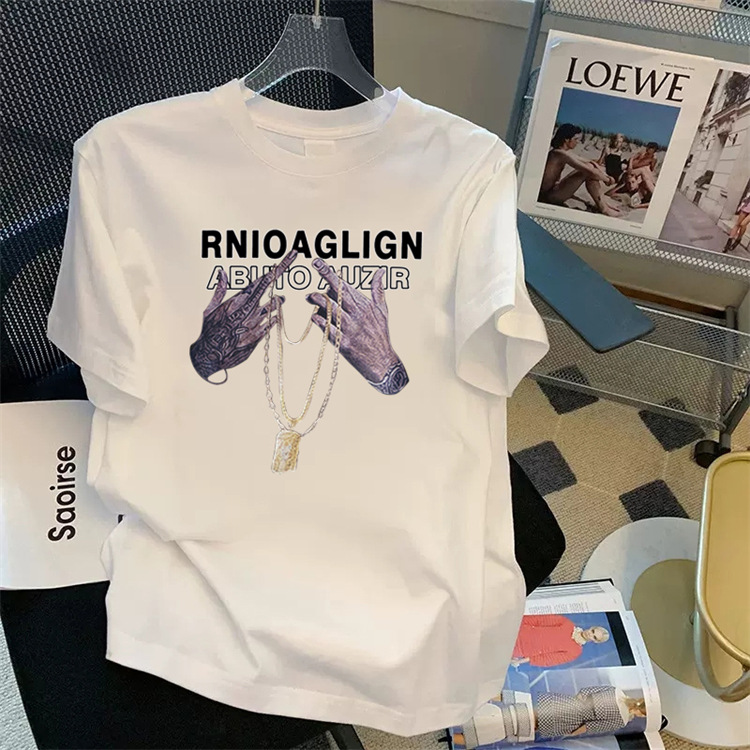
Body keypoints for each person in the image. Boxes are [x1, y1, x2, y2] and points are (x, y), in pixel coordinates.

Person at [538, 123, 622, 217]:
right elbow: (589, 171)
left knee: (589, 167)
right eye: (576, 139)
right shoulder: (560, 154)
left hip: (553, 190)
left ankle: (604, 205)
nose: (577, 142)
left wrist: (605, 175)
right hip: (549, 196)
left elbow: (589, 161)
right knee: (587, 172)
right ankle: (604, 208)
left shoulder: (561, 152)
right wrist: (608, 180)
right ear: (567, 139)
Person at [535, 686, 647, 739]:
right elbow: (589, 726)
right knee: (536, 725)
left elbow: (585, 691)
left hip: (570, 703)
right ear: (641, 714)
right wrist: (572, 733)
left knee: (537, 712)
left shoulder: (616, 691)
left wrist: (574, 703)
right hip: (573, 721)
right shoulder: (622, 720)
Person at [510, 614, 610, 668]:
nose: (590, 634)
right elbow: (538, 620)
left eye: (594, 637)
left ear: (595, 641)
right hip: (516, 629)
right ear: (592, 627)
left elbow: (547, 660)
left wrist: (520, 661)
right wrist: (514, 621)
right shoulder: (567, 623)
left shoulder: (575, 652)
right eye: (593, 631)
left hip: (518, 649)